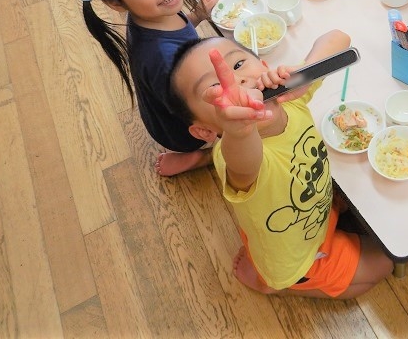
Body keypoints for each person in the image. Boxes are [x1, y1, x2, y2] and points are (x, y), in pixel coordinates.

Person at [168, 33, 394, 298]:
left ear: (264, 66)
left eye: (239, 65)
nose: (237, 80)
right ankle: (279, 287)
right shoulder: (234, 153)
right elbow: (243, 164)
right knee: (386, 264)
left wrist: (305, 71)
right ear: (205, 131)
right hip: (296, 258)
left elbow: (339, 39)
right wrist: (238, 130)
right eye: (216, 87)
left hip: (312, 211)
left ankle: (264, 256)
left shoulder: (291, 98)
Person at [79, 0, 220, 176]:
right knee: (258, 127)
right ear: (115, 2)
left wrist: (195, 16)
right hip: (186, 130)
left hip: (166, 110)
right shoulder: (161, 57)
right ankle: (202, 156)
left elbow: (179, 32)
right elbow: (191, 110)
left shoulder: (152, 14)